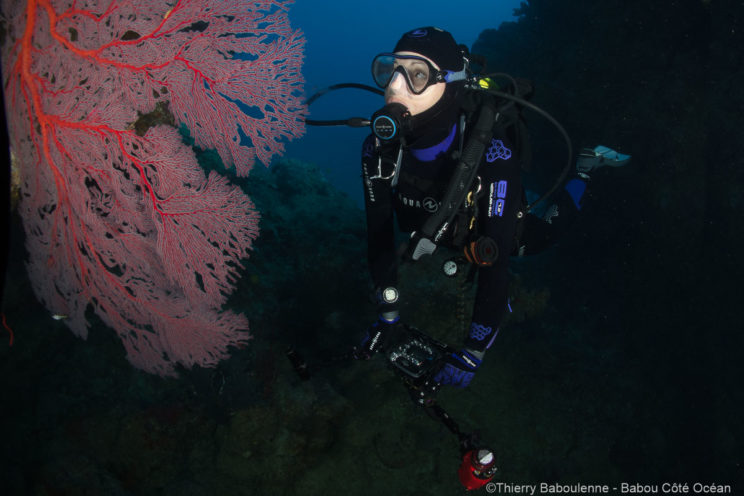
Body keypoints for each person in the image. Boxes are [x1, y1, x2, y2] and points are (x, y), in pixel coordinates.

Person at [358, 27, 629, 388]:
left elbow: (495, 262)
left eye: (417, 75)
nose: (394, 86)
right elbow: (378, 231)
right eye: (391, 70)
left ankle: (585, 168)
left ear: (451, 83)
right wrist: (387, 312)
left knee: (538, 237)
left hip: (482, 228)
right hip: (431, 226)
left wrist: (474, 351)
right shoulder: (377, 149)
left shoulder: (493, 154)